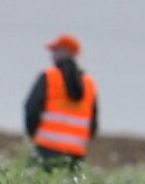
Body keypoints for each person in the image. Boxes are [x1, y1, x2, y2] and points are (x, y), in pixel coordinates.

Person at [24, 34, 98, 170]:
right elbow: (93, 123)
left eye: (56, 50)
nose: (52, 55)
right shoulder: (89, 84)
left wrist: (35, 135)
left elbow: (31, 109)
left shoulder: (49, 76)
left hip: (46, 148)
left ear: (67, 52)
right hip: (76, 153)